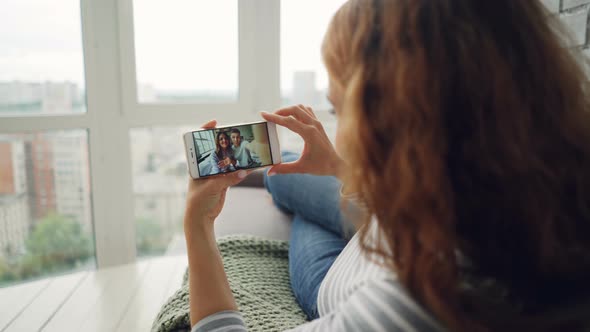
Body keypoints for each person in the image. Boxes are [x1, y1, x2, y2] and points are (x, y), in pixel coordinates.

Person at [183, 1, 590, 332]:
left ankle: (266, 181)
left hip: (336, 275)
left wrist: (198, 227)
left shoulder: (414, 306)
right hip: (392, 224)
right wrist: (341, 168)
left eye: (339, 109)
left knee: (288, 184)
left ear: (397, 125)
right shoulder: (539, 188)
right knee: (291, 171)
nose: (340, 128)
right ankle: (279, 177)